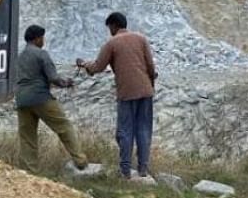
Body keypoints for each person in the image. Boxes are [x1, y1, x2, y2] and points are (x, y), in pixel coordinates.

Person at [76, 12, 157, 181]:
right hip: (146, 91)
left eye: (109, 28)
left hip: (126, 93)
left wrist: (84, 65)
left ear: (113, 25)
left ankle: (125, 170)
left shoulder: (111, 43)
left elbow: (98, 67)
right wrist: (151, 85)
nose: (109, 31)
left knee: (125, 131)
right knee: (143, 129)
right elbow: (151, 66)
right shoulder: (141, 39)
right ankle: (143, 168)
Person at [14, 25, 87, 172]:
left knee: (28, 138)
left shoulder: (19, 57)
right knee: (64, 126)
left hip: (21, 99)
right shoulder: (42, 54)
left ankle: (29, 171)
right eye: (42, 38)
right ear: (37, 39)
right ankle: (80, 161)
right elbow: (53, 78)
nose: (44, 41)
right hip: (40, 98)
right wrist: (66, 83)